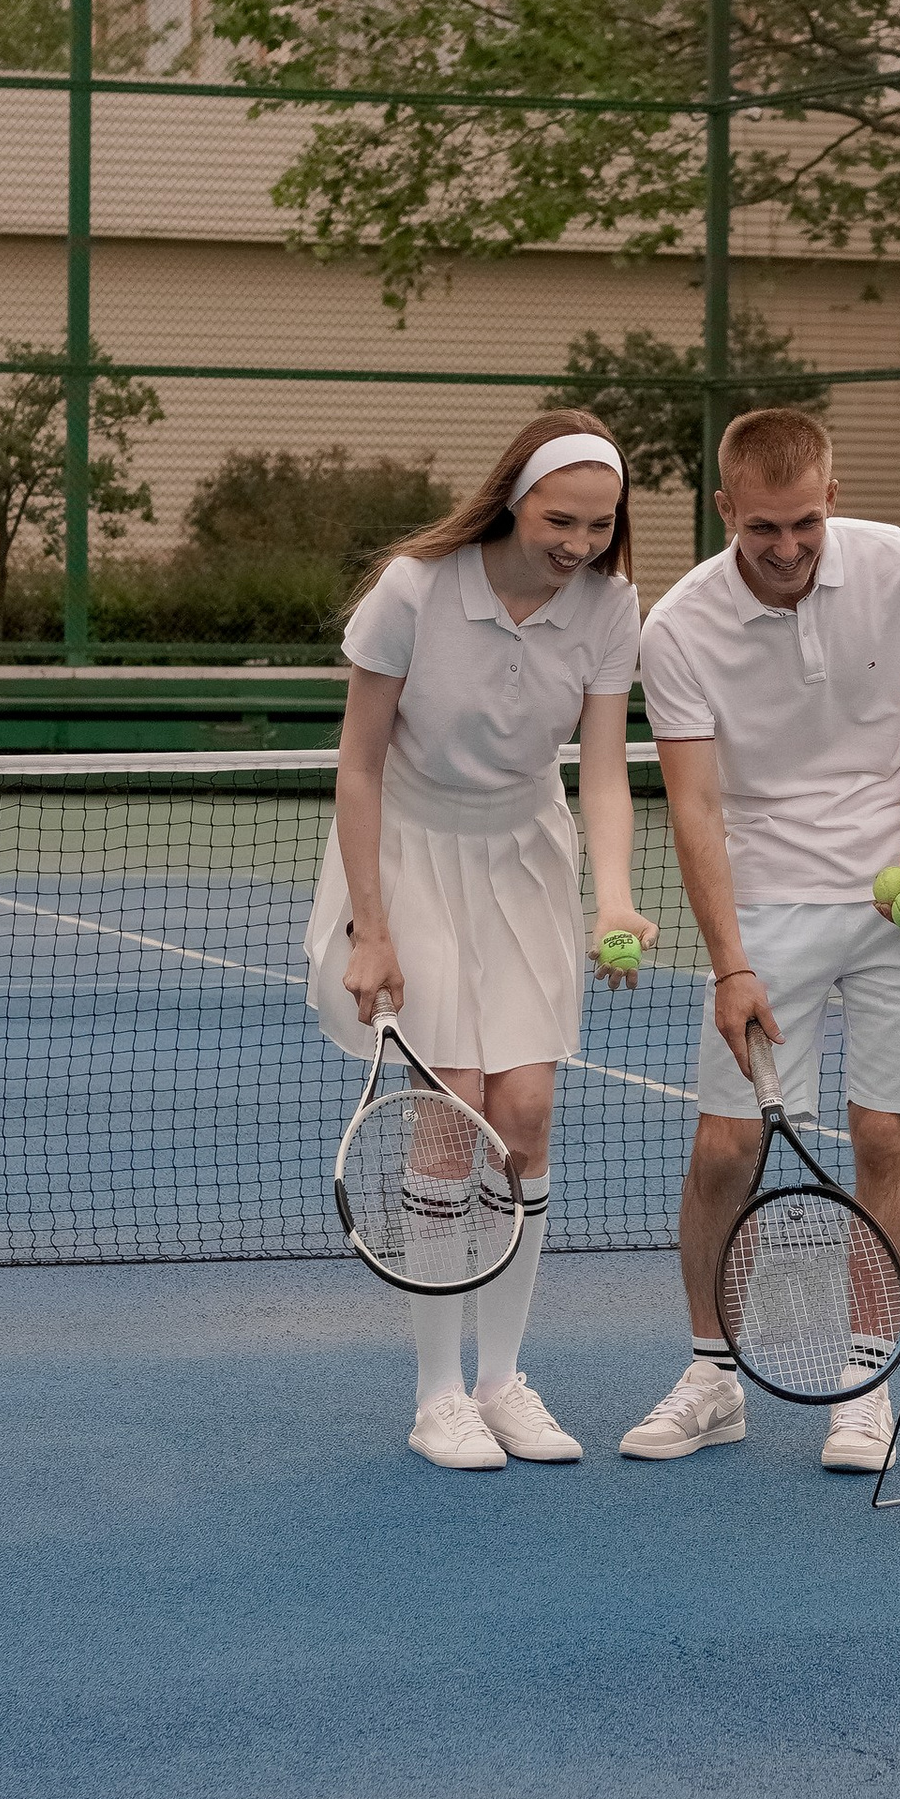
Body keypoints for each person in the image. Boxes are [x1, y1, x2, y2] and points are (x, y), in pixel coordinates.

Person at [305, 416, 653, 1471]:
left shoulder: (609, 606)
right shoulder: (413, 590)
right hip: (405, 855)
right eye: (560, 520)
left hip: (525, 860)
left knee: (528, 1111)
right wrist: (371, 928)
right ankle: (437, 1395)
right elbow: (358, 765)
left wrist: (615, 899)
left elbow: (599, 767)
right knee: (451, 1112)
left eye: (599, 526)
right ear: (512, 498)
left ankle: (503, 1380)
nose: (580, 543)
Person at [623, 404, 900, 1471]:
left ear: (834, 495)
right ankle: (712, 1375)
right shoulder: (677, 629)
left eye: (803, 525)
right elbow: (691, 805)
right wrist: (729, 964)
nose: (785, 549)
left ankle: (864, 1386)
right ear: (724, 509)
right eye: (761, 528)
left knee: (884, 1141)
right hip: (767, 903)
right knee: (726, 1146)